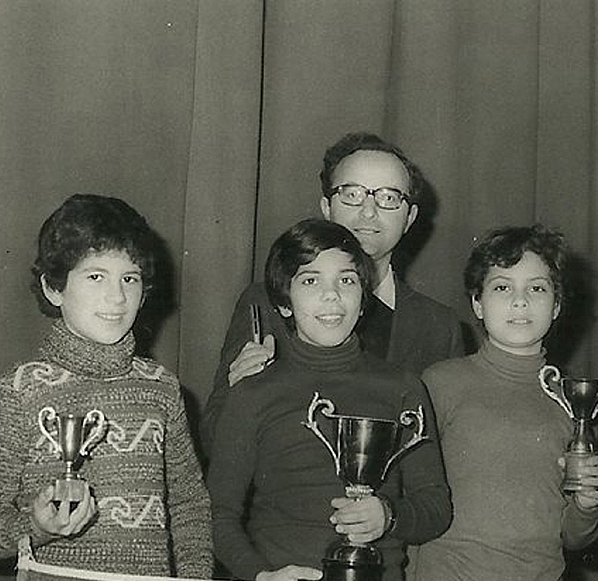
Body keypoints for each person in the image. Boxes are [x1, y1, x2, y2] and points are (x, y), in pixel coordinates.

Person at [0, 194, 213, 578]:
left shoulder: (161, 388)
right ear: (53, 288)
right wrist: (37, 527)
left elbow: (190, 507)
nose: (117, 297)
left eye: (130, 278)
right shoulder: (18, 391)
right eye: (96, 276)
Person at [207, 218, 451, 581]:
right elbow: (217, 514)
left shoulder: (403, 388)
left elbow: (436, 507)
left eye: (347, 280)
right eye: (310, 280)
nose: (332, 295)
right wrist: (261, 576)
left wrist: (389, 515)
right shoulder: (253, 393)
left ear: (363, 296)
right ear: (284, 304)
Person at [200, 132, 467, 444]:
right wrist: (239, 393)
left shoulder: (439, 326)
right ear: (326, 206)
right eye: (352, 194)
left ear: (410, 218)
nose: (369, 212)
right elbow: (214, 438)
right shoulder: (265, 302)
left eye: (389, 197)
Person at [408, 225, 598, 581]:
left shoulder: (573, 401)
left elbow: (572, 535)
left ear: (557, 305)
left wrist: (588, 506)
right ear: (477, 304)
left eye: (537, 288)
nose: (520, 301)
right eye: (502, 287)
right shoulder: (440, 383)